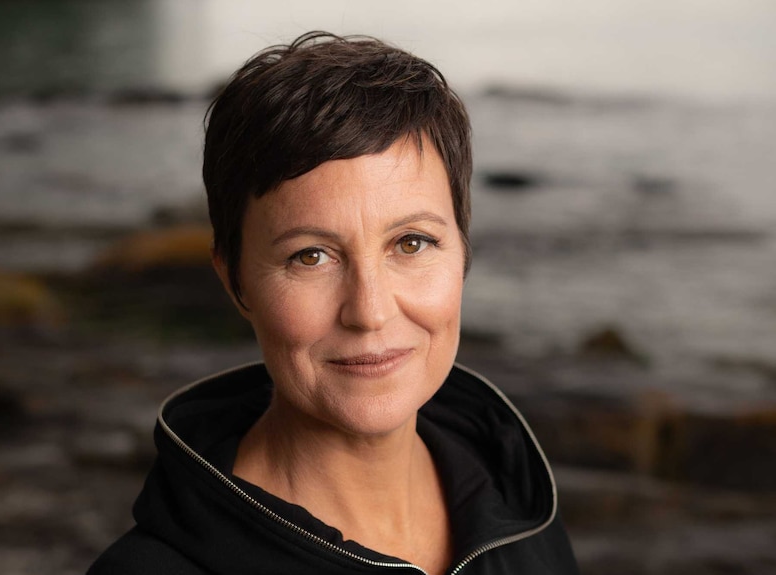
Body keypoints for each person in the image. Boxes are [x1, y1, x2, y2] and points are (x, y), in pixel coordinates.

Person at [88, 31, 579, 575]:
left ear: (463, 251)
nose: (369, 311)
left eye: (411, 243)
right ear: (236, 283)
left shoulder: (521, 507)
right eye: (311, 256)